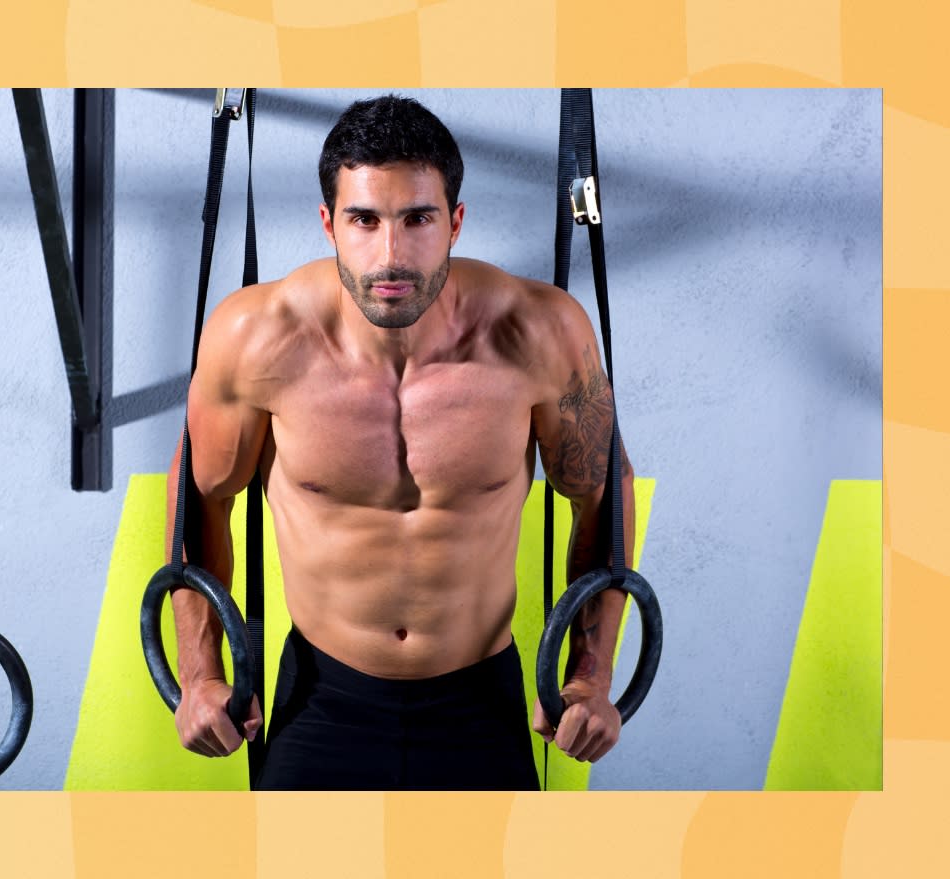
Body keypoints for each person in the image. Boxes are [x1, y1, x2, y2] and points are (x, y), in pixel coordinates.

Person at [166, 94, 635, 790]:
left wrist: (591, 677)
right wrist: (201, 675)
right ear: (329, 223)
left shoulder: (541, 333)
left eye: (418, 219)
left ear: (455, 223)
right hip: (322, 698)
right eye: (364, 219)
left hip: (480, 699)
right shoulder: (256, 337)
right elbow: (198, 503)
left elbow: (603, 499)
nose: (391, 254)